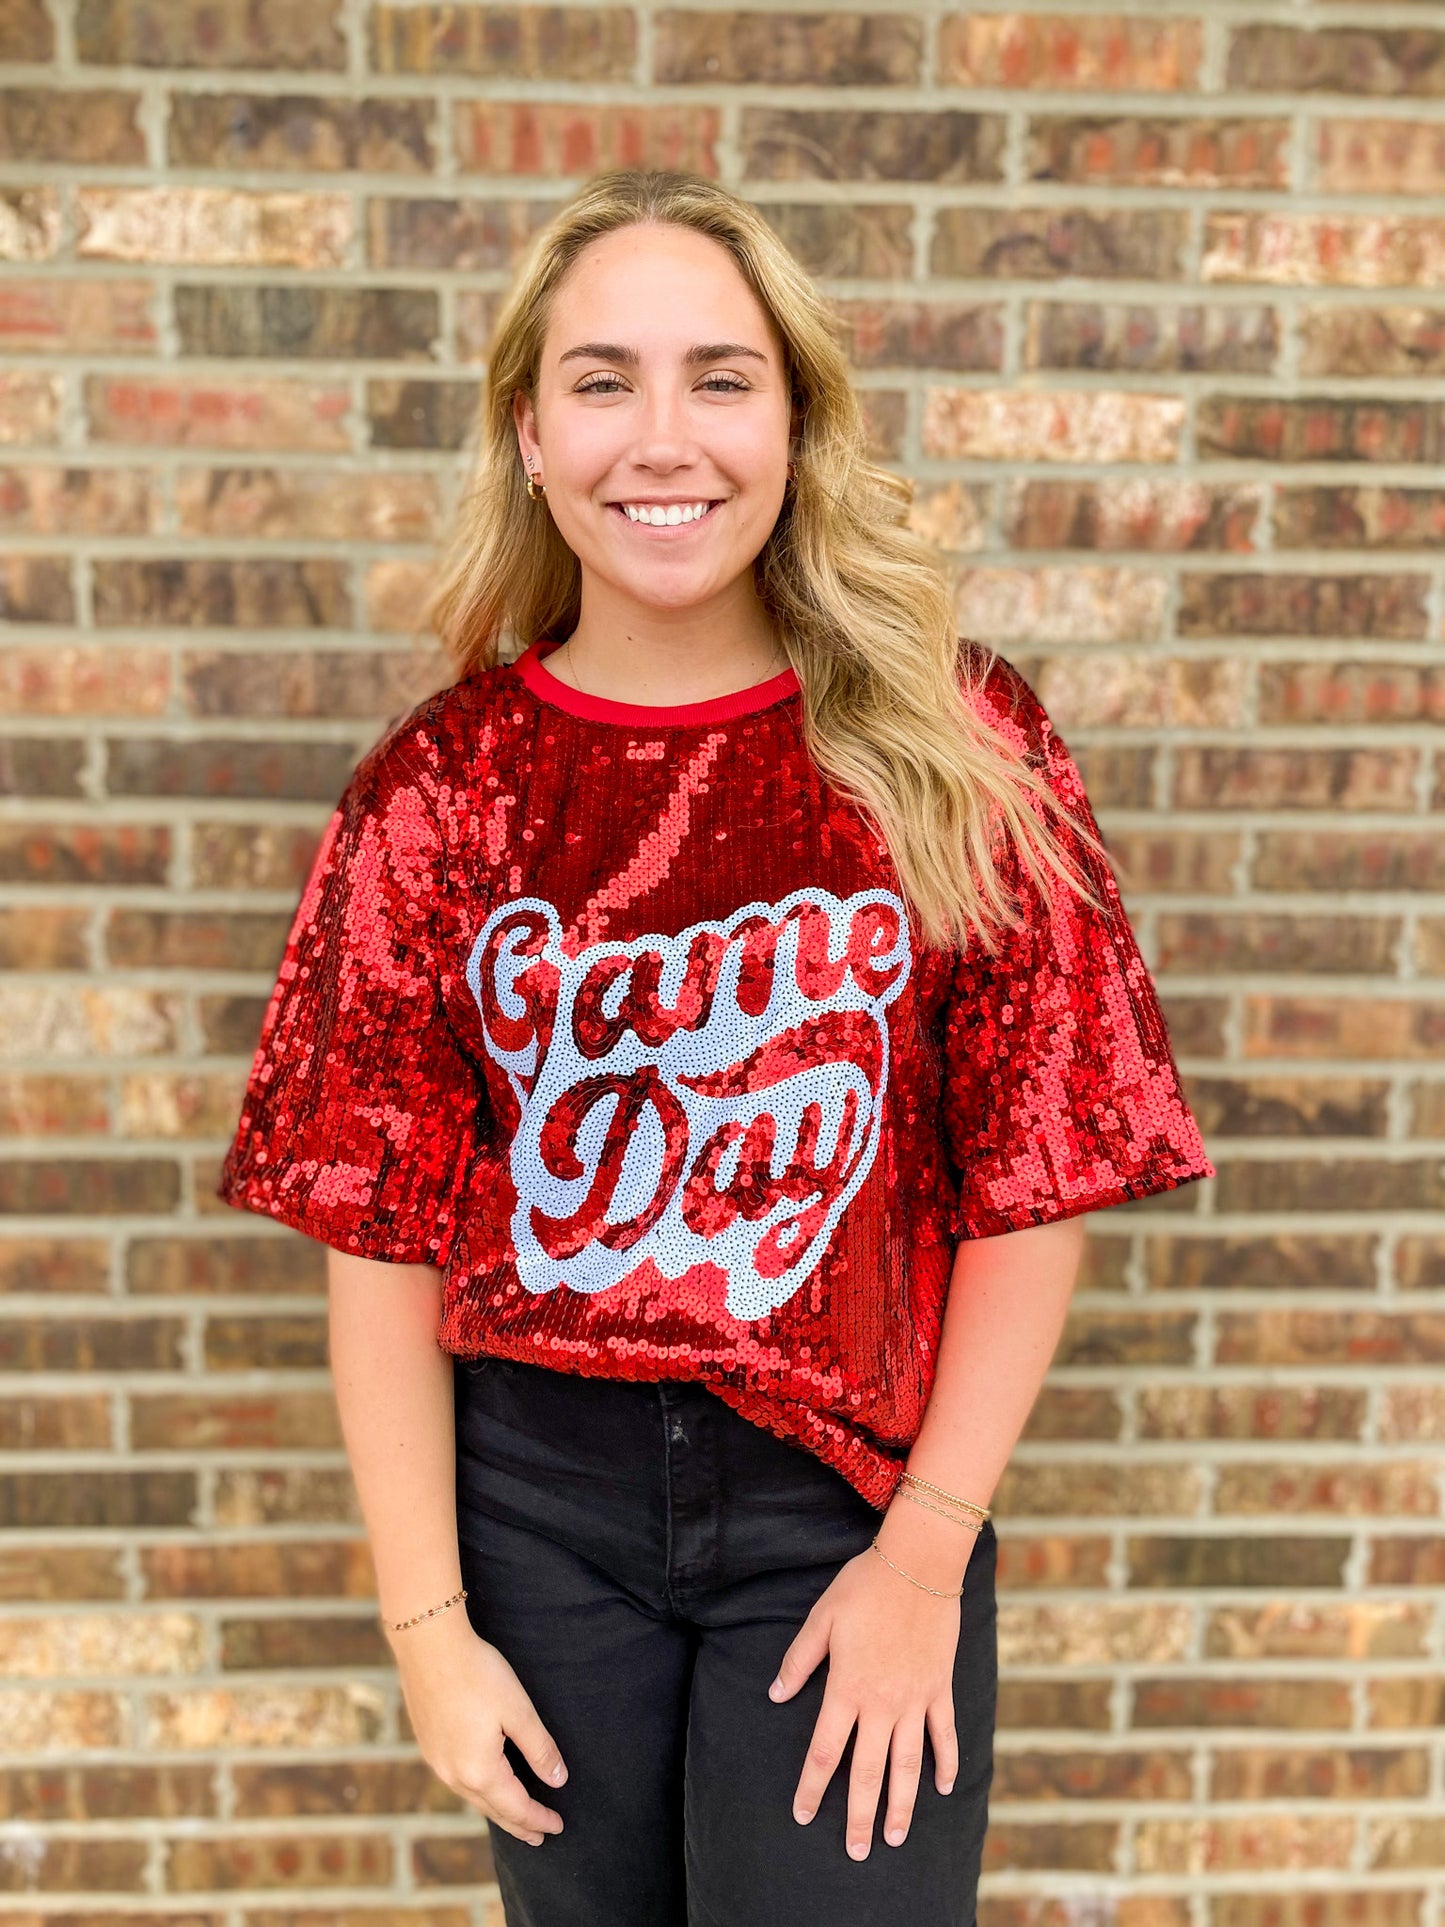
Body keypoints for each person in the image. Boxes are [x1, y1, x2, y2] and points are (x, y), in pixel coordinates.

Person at [216, 169, 1212, 1927]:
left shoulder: (952, 742)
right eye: (602, 381)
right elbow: (373, 1235)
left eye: (719, 378)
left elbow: (1039, 1174)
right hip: (536, 1512)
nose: (658, 438)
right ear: (529, 433)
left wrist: (926, 1553)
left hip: (843, 1508)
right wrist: (429, 1632)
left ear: (797, 421)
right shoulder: (437, 790)